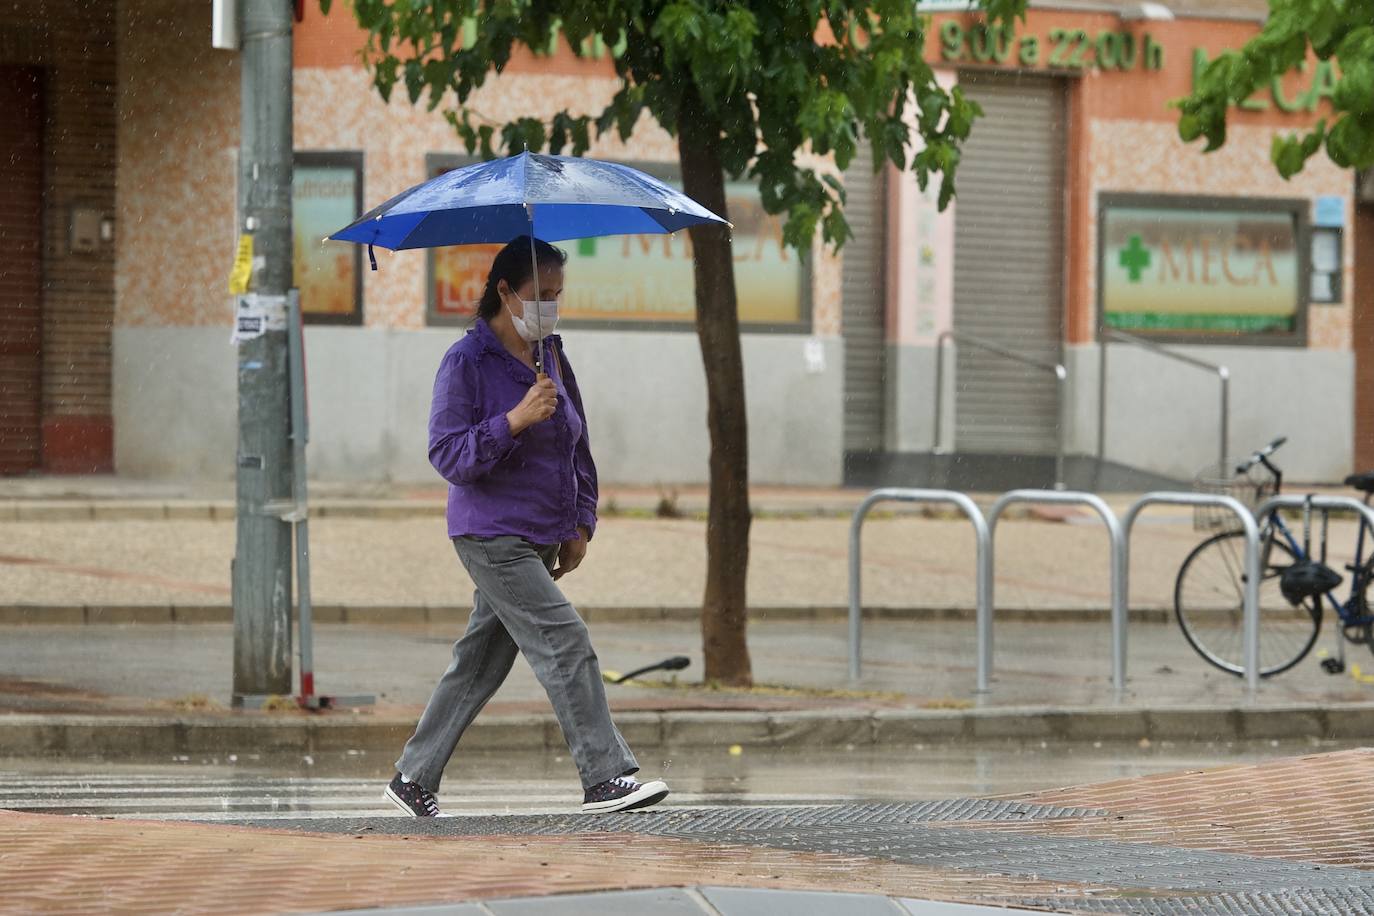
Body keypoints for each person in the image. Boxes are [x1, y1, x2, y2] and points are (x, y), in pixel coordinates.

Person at [384, 236, 669, 817]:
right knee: (565, 640)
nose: (551, 306)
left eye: (558, 294)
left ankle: (412, 777)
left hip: (542, 533)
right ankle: (604, 776)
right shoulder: (466, 361)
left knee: (480, 661)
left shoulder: (551, 356)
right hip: (491, 534)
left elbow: (575, 443)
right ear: (505, 291)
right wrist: (513, 420)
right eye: (541, 294)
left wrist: (580, 522)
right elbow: (447, 454)